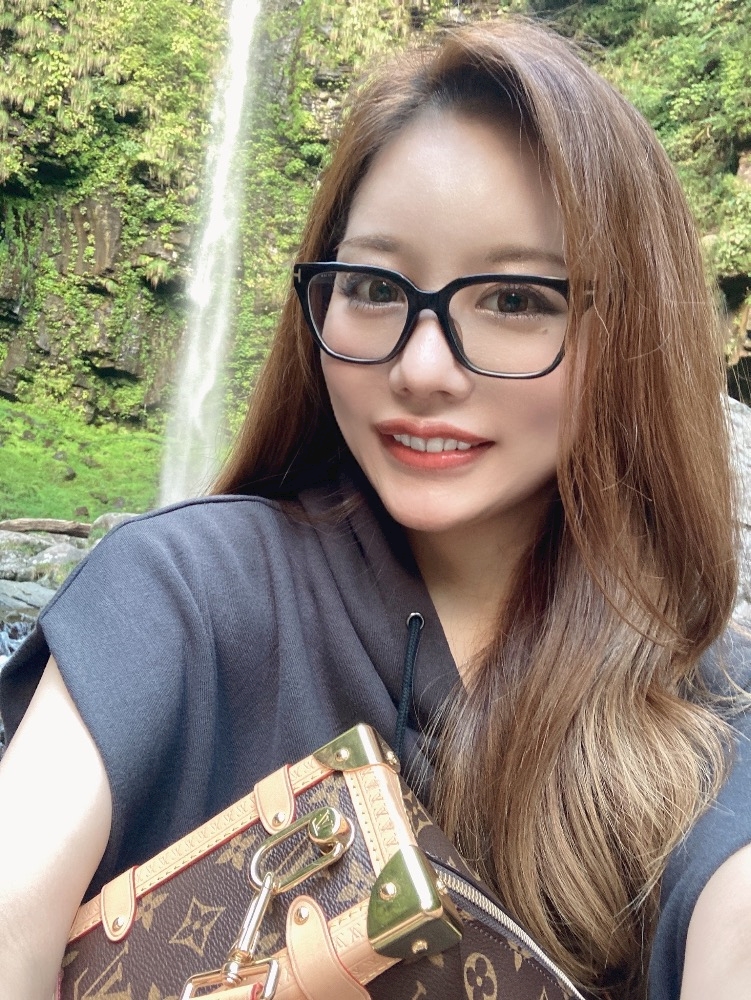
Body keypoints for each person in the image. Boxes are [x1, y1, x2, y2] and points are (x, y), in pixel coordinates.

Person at [1, 15, 750, 1000]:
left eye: (515, 300)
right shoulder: (178, 596)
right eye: (370, 286)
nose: (420, 369)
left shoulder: (710, 708)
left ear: (631, 329)